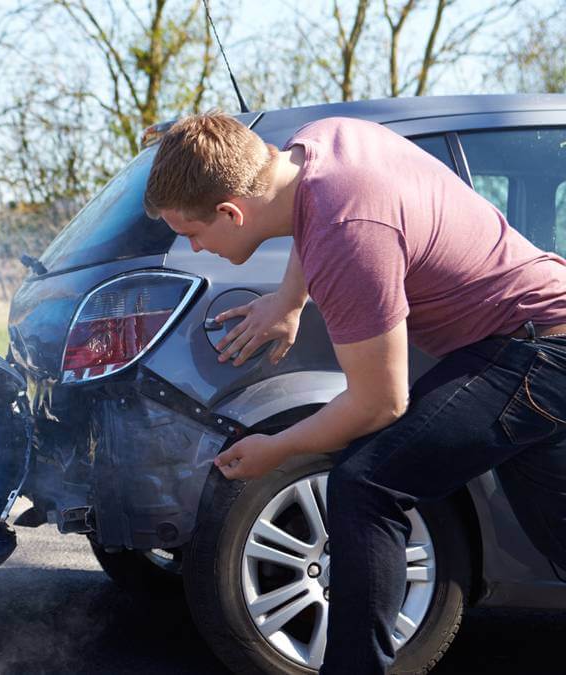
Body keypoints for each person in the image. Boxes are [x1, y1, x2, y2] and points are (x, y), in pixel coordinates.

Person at [143, 112, 566, 674]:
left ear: (231, 212)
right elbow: (309, 214)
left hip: (531, 350)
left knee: (366, 482)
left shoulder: (347, 233)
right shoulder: (320, 142)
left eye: (192, 233)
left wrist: (278, 449)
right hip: (535, 335)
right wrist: (289, 299)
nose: (195, 248)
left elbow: (379, 403)